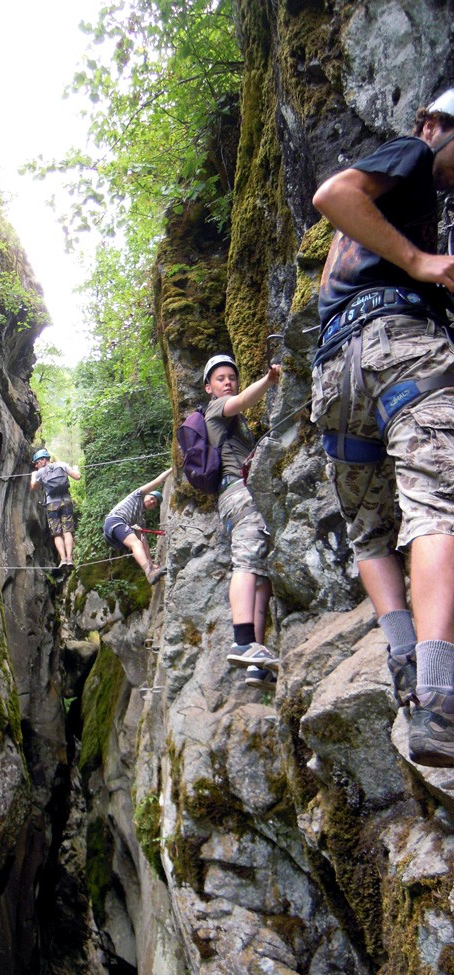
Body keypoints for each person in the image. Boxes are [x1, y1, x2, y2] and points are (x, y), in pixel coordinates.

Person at [310, 86, 454, 767]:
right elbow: (334, 192)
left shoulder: (407, 203)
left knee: (371, 527)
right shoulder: (412, 156)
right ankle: (439, 700)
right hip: (397, 344)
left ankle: (403, 664)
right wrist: (424, 264)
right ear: (435, 124)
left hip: (336, 369)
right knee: (435, 505)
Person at [203, 353, 281, 687]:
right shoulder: (216, 410)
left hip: (240, 495)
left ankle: (256, 662)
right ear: (209, 388)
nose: (228, 382)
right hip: (238, 494)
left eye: (231, 377)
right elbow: (242, 400)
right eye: (220, 378)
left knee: (260, 574)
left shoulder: (237, 424)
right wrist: (269, 380)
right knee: (247, 563)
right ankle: (242, 640)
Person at [103, 468, 172, 585]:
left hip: (114, 538)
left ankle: (150, 570)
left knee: (138, 543)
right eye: (151, 498)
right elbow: (159, 480)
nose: (151, 502)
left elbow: (144, 542)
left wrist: (151, 563)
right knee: (135, 543)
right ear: (146, 495)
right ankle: (149, 573)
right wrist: (172, 469)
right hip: (115, 520)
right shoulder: (137, 495)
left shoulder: (140, 520)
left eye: (154, 503)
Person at [30, 448, 81, 567]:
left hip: (52, 504)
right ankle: (70, 559)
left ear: (43, 460)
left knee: (57, 533)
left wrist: (33, 476)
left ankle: (63, 559)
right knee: (67, 531)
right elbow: (77, 477)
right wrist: (76, 469)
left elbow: (34, 487)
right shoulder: (62, 465)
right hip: (66, 501)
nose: (37, 466)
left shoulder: (40, 472)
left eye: (37, 463)